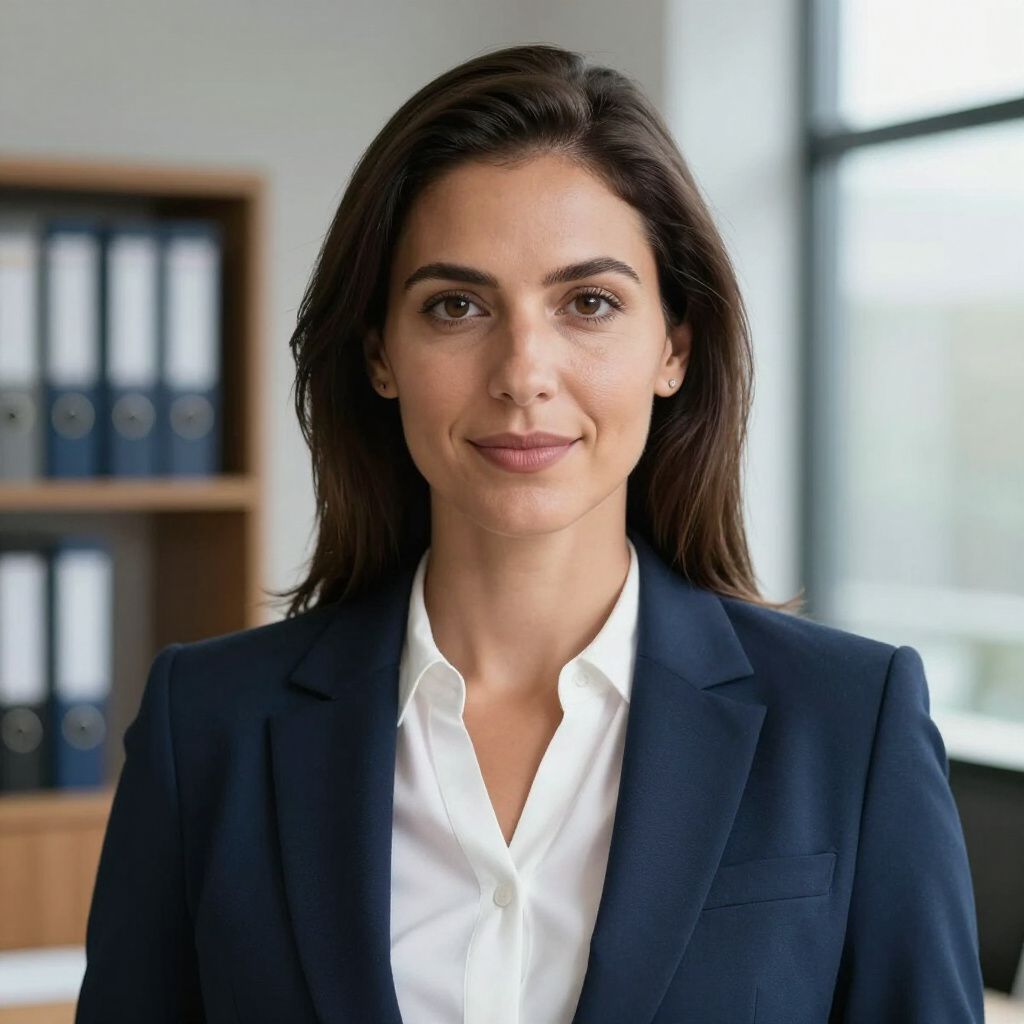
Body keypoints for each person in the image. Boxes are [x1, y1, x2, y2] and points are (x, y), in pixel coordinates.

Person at [75, 42, 985, 1024]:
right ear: (381, 353)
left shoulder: (847, 723)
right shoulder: (206, 726)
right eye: (456, 305)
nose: (523, 370)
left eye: (587, 303)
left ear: (673, 346)